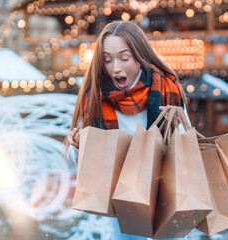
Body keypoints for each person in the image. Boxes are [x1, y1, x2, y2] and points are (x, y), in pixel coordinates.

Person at [66, 20, 190, 240]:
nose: (116, 68)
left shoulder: (168, 89)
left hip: (167, 195)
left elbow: (186, 152)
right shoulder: (94, 97)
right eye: (107, 60)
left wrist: (174, 128)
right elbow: (77, 167)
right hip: (123, 202)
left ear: (140, 56)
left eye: (124, 58)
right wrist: (77, 146)